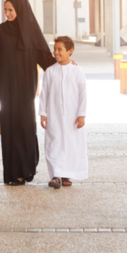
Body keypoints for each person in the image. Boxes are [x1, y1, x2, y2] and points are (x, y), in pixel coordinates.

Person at [0, 0, 56, 185]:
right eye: (5, 10)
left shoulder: (31, 31)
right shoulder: (1, 30)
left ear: (20, 10)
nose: (7, 14)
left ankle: (25, 169)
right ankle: (13, 173)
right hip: (6, 88)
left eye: (11, 10)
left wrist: (65, 64)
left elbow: (46, 59)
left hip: (25, 89)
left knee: (24, 126)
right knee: (9, 127)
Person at [40, 36, 88, 189]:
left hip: (72, 116)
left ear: (70, 51)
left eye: (60, 49)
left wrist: (81, 114)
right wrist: (42, 113)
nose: (56, 52)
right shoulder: (50, 71)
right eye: (54, 49)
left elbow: (83, 94)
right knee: (54, 143)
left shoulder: (77, 71)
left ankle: (67, 175)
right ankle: (55, 175)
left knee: (70, 144)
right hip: (53, 115)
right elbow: (44, 93)